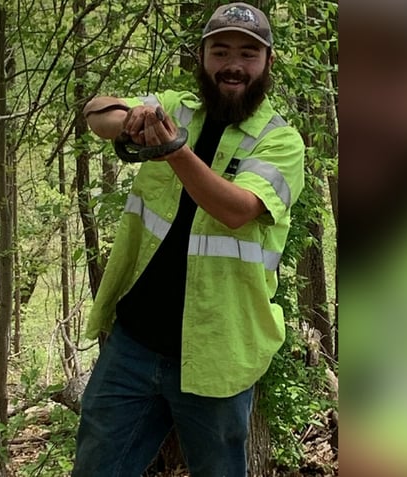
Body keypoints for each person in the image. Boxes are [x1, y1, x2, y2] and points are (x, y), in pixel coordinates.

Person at [72, 3, 305, 476]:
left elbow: (237, 210)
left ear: (267, 64)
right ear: (202, 58)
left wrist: (172, 150)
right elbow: (97, 112)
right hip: (133, 346)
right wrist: (129, 120)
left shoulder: (281, 142)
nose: (233, 64)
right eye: (220, 51)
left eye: (247, 53)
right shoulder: (177, 107)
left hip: (218, 356)